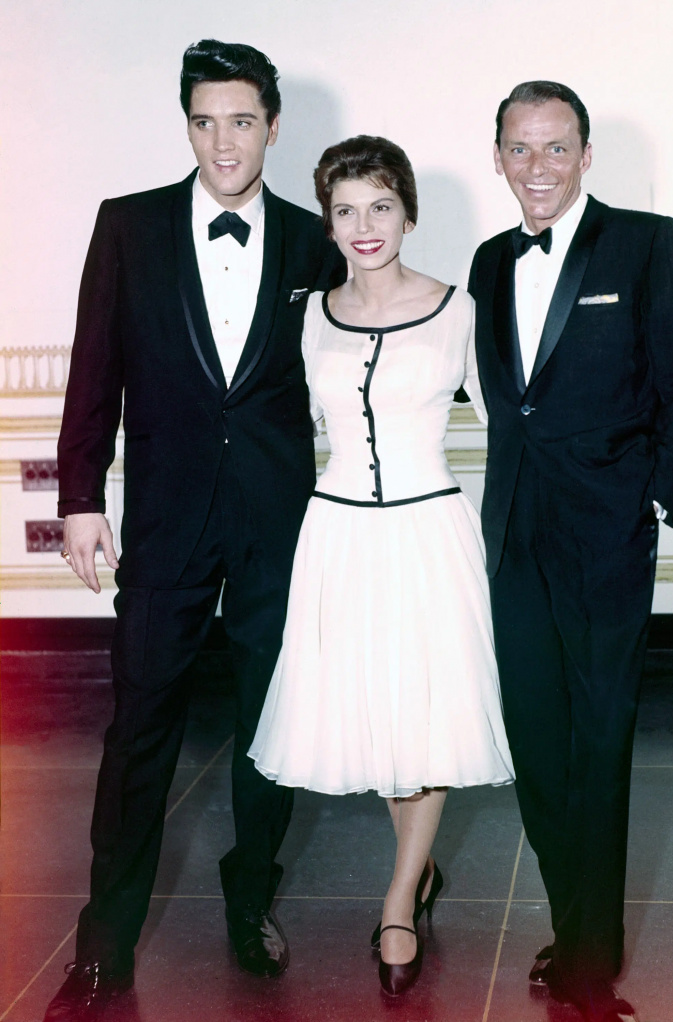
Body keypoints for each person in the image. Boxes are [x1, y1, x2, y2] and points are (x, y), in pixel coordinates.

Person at [46, 39, 345, 1021]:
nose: (223, 140)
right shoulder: (127, 228)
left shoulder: (313, 241)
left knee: (271, 730)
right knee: (139, 730)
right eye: (205, 121)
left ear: (270, 124)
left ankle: (248, 891)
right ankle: (105, 941)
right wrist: (79, 497)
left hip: (277, 526)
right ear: (187, 125)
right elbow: (96, 370)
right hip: (167, 523)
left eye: (242, 120)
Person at [469, 82, 673, 1022]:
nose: (538, 168)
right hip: (514, 537)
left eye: (555, 148)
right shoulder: (492, 260)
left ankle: (589, 959)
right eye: (520, 150)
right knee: (537, 744)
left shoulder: (651, 244)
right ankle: (575, 924)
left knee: (599, 740)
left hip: (607, 536)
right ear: (498, 157)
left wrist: (654, 495)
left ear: (585, 155)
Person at [247, 135, 515, 997]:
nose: (365, 226)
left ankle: (399, 896)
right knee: (376, 711)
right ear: (328, 221)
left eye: (382, 207)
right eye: (347, 210)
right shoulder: (308, 317)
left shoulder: (459, 310)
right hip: (339, 535)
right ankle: (419, 869)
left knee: (429, 711)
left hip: (429, 534)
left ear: (408, 212)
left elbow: (521, 423)